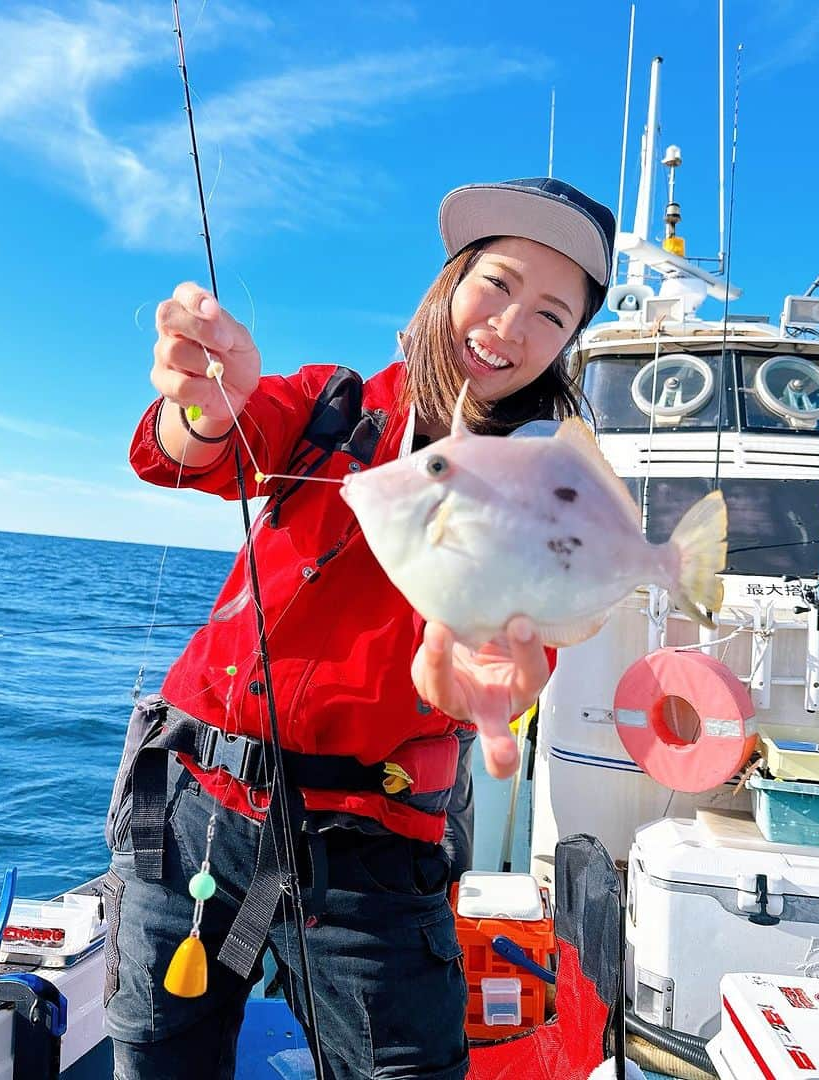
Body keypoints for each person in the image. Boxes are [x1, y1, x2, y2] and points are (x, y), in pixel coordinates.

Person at [104, 176, 616, 1080]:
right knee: (156, 1055)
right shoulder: (331, 405)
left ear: (569, 345)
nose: (509, 325)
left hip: (373, 847)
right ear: (450, 283)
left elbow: (527, 635)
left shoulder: (540, 494)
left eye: (551, 315)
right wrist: (203, 405)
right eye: (497, 284)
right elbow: (194, 447)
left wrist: (493, 677)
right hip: (193, 808)